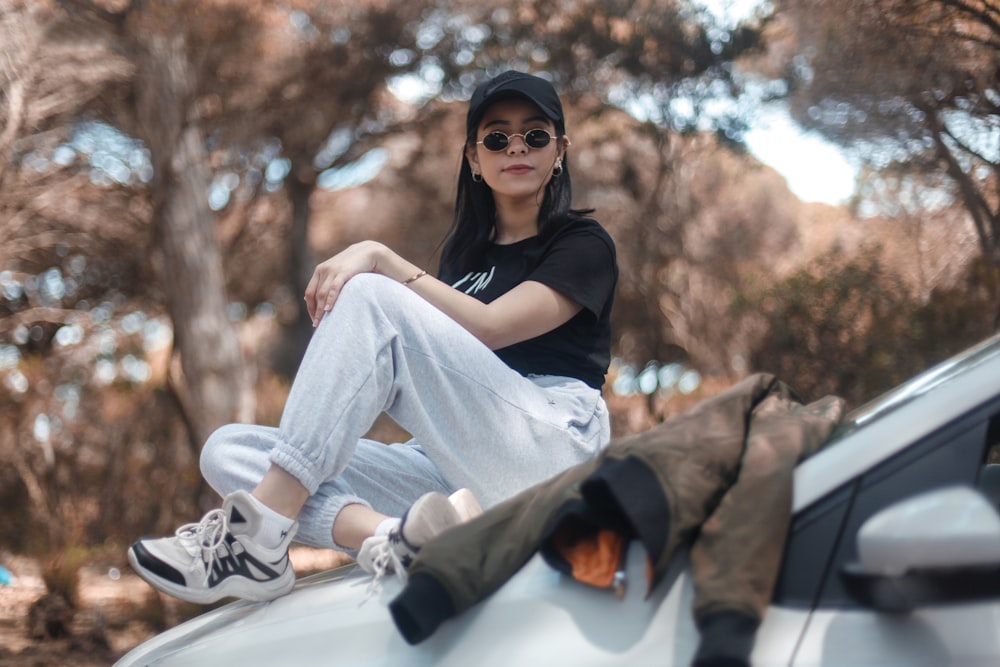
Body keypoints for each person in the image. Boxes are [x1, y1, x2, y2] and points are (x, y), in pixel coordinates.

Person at [127, 70, 619, 605]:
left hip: (553, 447)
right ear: (474, 159)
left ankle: (258, 537)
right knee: (229, 450)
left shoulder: (583, 243)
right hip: (460, 466)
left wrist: (381, 258)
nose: (516, 147)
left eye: (536, 135)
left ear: (560, 150)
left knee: (368, 295)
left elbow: (492, 327)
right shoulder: (464, 259)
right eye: (497, 137)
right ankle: (398, 538)